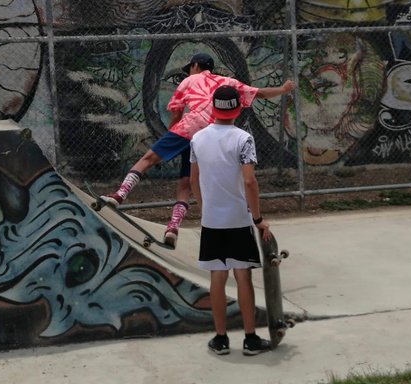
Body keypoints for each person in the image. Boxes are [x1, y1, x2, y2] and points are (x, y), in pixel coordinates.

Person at [100, 52, 295, 247]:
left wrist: (170, 135)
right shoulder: (227, 82)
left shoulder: (189, 80)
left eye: (189, 68)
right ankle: (172, 228)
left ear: (195, 65)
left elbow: (176, 113)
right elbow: (259, 93)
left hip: (188, 129)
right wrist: (282, 89)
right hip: (209, 136)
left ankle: (119, 196)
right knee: (186, 183)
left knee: (148, 159)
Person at [189, 85, 272, 356]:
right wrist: (258, 218)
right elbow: (249, 180)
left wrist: (205, 208)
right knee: (243, 276)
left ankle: (221, 339)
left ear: (213, 108)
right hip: (238, 218)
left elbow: (193, 180)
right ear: (237, 109)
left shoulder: (197, 139)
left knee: (217, 276)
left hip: (212, 220)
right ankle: (250, 339)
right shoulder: (243, 138)